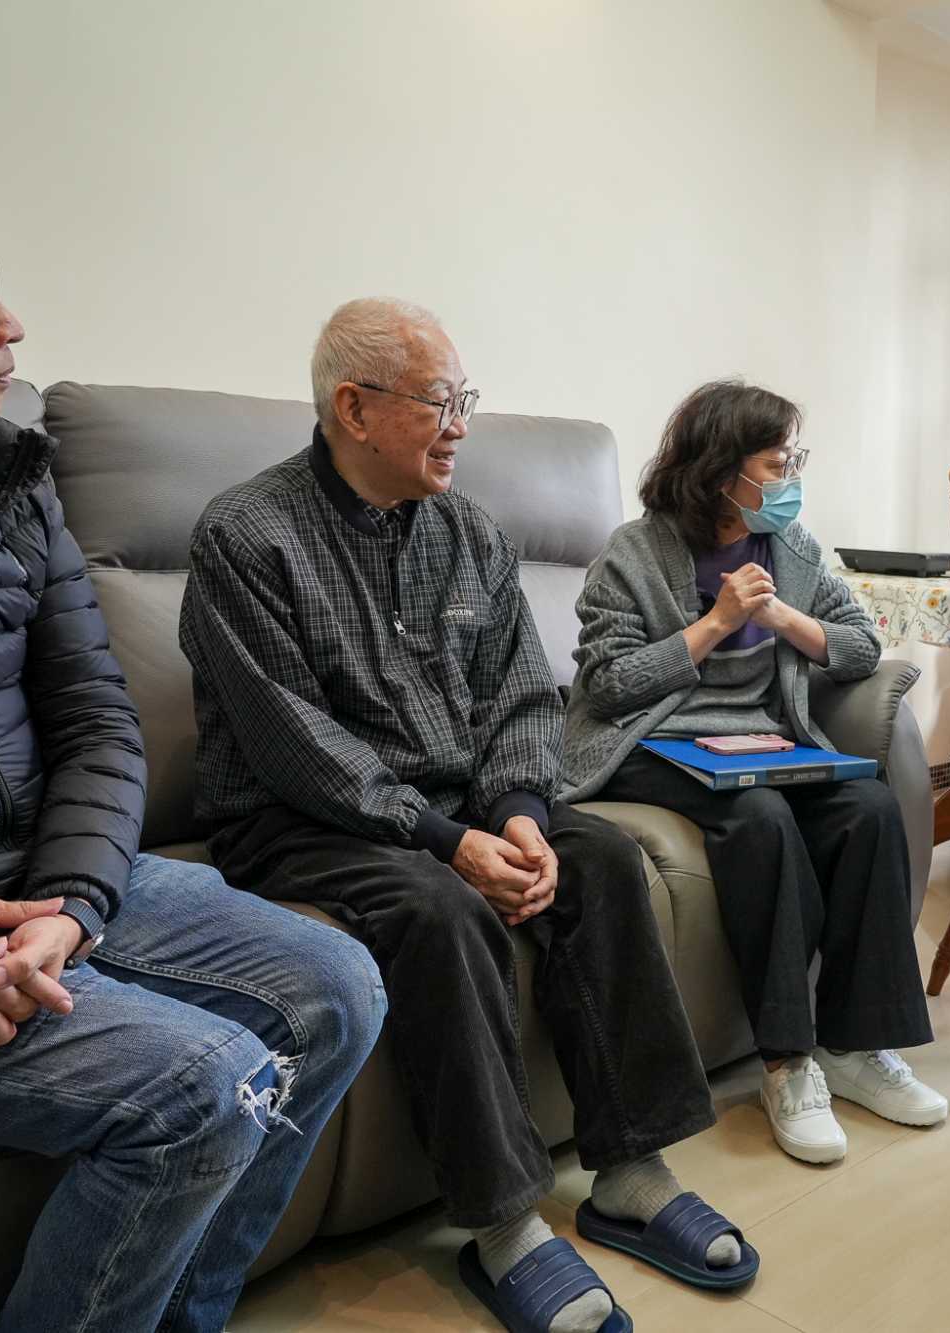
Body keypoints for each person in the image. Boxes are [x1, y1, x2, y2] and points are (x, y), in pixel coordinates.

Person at [0, 111, 385, 1333]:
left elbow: (96, 717)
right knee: (202, 1084)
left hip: (31, 884)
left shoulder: (2, 476)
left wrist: (71, 908)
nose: (11, 324)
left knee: (338, 983)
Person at [180, 299, 757, 1333]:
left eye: (464, 401)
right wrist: (446, 842)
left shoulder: (469, 532)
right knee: (438, 907)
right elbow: (292, 742)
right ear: (354, 408)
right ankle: (503, 1223)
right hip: (298, 819)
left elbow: (522, 697)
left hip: (459, 805)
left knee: (602, 857)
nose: (459, 426)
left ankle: (630, 1169)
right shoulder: (245, 535)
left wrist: (522, 813)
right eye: (439, 402)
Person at [560, 379, 943, 1166]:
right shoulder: (633, 553)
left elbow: (861, 645)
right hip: (654, 742)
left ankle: (855, 1047)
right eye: (778, 462)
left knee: (869, 806)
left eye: (794, 459)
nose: (791, 476)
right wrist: (716, 623)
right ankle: (787, 1063)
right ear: (722, 470)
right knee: (760, 818)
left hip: (762, 744)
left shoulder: (791, 548)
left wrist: (781, 617)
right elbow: (608, 683)